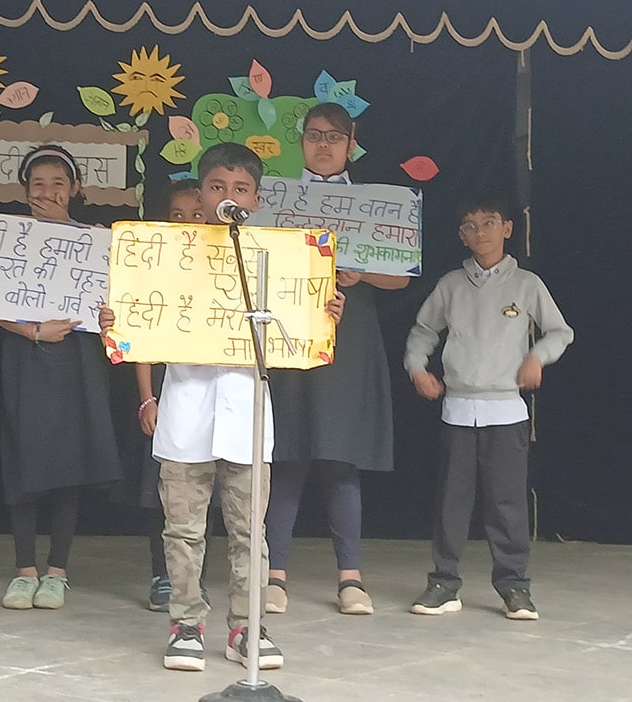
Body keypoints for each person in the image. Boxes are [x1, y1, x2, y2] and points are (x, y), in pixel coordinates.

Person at [100, 143, 345, 673]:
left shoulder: (275, 258)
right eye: (216, 187)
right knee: (183, 531)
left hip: (248, 415)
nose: (227, 197)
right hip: (186, 410)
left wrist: (321, 313)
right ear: (201, 193)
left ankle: (246, 627)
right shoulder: (169, 254)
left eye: (240, 189)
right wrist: (119, 323)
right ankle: (186, 623)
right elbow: (139, 318)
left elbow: (296, 330)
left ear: (255, 199)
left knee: (249, 533)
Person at [265, 102, 408, 617]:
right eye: (314, 135)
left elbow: (402, 277)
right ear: (301, 142)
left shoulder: (375, 204)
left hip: (350, 340)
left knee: (341, 459)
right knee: (287, 456)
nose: (323, 145)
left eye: (334, 136)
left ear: (351, 144)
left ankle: (351, 579)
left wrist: (361, 274)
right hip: (292, 336)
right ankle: (274, 576)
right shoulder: (277, 199)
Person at [403, 191, 573, 621]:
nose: (481, 233)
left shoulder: (526, 284)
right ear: (462, 235)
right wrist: (417, 369)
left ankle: (514, 586)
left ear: (507, 229)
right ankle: (444, 582)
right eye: (471, 226)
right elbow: (423, 331)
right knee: (451, 501)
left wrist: (537, 357)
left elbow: (559, 332)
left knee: (507, 503)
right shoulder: (451, 285)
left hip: (506, 410)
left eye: (490, 223)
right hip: (458, 408)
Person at [0, 144, 121, 611]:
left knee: (71, 460)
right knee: (24, 458)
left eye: (58, 184)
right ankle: (24, 570)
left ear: (75, 189)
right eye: (38, 184)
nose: (48, 192)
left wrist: (108, 319)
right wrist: (32, 330)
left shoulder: (96, 240)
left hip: (79, 360)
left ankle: (57, 572)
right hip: (25, 356)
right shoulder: (6, 237)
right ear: (25, 190)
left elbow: (115, 303)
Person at [134, 179, 212, 613]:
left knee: (206, 489)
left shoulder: (228, 265)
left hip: (213, 389)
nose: (187, 222)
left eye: (196, 214)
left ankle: (197, 577)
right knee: (161, 489)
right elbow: (143, 337)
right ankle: (162, 574)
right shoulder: (155, 267)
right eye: (177, 215)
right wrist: (148, 398)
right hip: (168, 387)